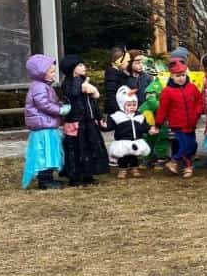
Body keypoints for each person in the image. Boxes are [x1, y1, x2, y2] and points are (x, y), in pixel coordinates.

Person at [59, 55, 109, 187]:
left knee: (90, 147)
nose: (84, 67)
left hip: (88, 121)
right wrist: (82, 83)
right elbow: (74, 93)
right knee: (76, 149)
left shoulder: (84, 81)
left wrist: (98, 117)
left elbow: (93, 102)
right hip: (75, 122)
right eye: (80, 65)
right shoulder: (68, 83)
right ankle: (75, 176)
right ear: (72, 69)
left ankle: (88, 174)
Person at [153, 57, 204, 178]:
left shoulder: (192, 88)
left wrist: (198, 112)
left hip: (191, 123)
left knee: (192, 145)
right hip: (177, 125)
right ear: (171, 76)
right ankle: (184, 165)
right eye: (177, 76)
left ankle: (176, 162)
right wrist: (158, 124)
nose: (181, 78)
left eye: (182, 75)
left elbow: (199, 100)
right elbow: (162, 110)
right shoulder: (167, 91)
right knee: (184, 145)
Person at [22, 54, 67, 189]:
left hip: (47, 125)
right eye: (52, 72)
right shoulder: (39, 87)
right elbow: (44, 104)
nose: (54, 74)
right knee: (44, 153)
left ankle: (48, 178)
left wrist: (60, 104)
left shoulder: (44, 86)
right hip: (43, 126)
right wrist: (60, 110)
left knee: (50, 152)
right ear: (40, 72)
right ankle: (45, 180)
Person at [101, 86, 152, 177]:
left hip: (135, 140)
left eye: (134, 105)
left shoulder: (139, 116)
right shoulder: (117, 116)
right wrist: (103, 126)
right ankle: (122, 170)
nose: (132, 107)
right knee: (123, 157)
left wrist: (150, 129)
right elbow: (109, 126)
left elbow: (144, 126)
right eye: (129, 105)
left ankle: (134, 168)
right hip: (122, 141)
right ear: (122, 104)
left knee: (134, 156)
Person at [103, 46, 128, 116]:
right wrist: (118, 111)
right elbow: (111, 94)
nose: (127, 63)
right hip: (116, 111)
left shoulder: (119, 73)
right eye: (126, 61)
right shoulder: (112, 74)